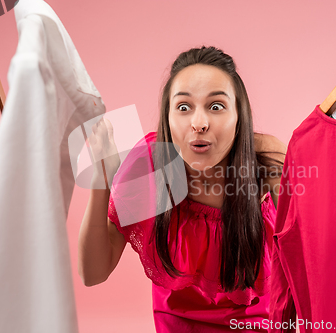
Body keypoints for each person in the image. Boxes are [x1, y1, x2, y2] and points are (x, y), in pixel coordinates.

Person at [78, 46, 287, 332]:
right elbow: (93, 273)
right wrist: (100, 181)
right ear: (167, 118)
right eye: (184, 107)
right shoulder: (149, 167)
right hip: (179, 325)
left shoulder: (267, 160)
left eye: (216, 106)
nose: (199, 124)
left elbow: (308, 264)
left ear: (240, 116)